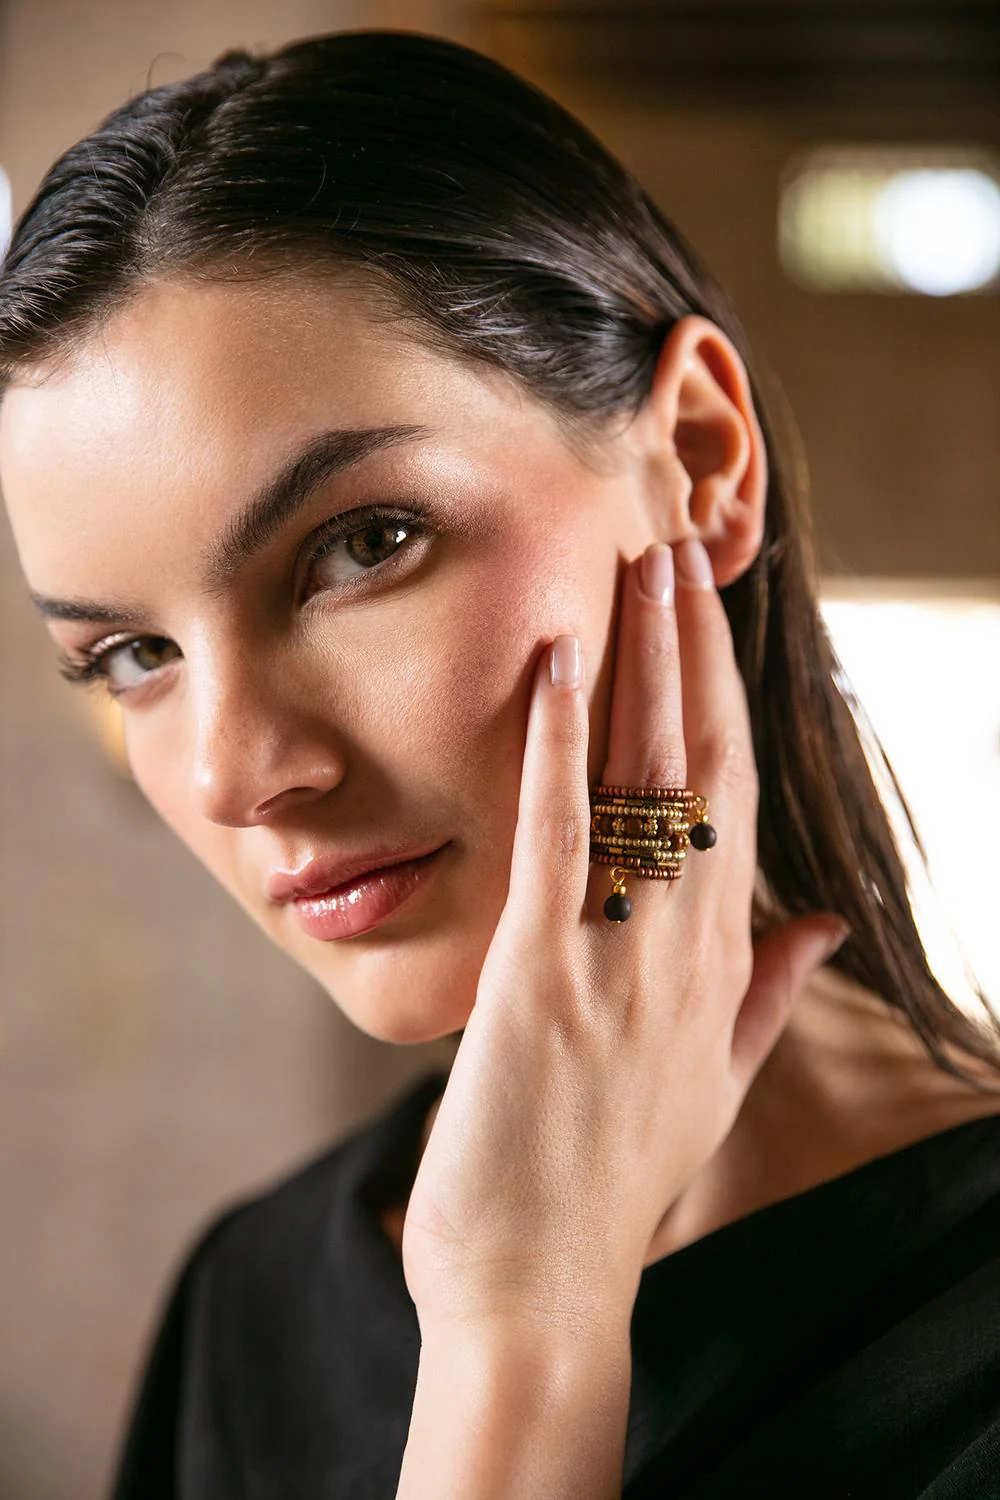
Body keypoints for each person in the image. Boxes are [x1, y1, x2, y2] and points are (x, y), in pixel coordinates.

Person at [1, 28, 999, 1500]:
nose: (231, 773)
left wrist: (527, 1326)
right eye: (133, 653)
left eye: (364, 545)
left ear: (698, 461)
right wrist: (517, 1312)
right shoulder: (252, 1308)